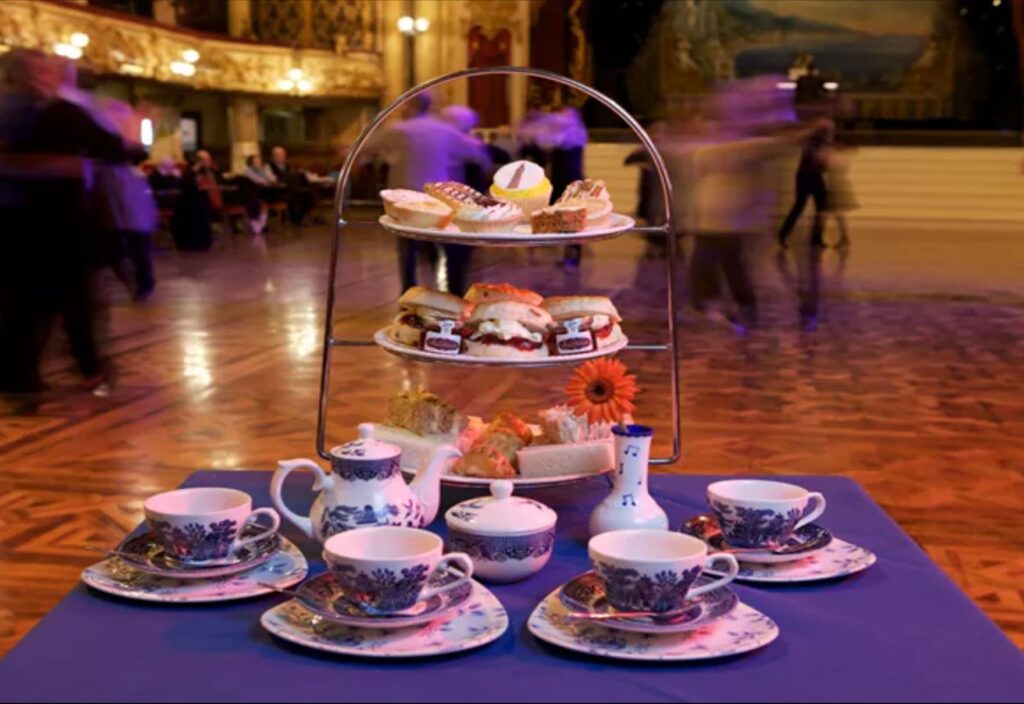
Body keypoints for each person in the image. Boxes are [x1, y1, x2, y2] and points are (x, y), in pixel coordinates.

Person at [0, 49, 144, 394]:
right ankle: (87, 370)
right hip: (54, 221)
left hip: (16, 223)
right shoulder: (58, 112)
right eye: (43, 71)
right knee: (70, 297)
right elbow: (121, 151)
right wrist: (132, 133)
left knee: (26, 303)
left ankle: (23, 378)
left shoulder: (37, 111)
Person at [361, 92, 491, 293]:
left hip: (407, 200)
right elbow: (480, 156)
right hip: (443, 199)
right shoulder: (445, 131)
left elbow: (362, 147)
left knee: (407, 249)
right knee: (450, 246)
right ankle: (454, 294)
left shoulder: (396, 129)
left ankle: (409, 291)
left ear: (408, 106)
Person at [777, 119, 833, 250]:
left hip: (804, 176)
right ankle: (815, 238)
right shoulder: (818, 142)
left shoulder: (812, 141)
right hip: (811, 177)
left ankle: (785, 235)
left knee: (802, 207)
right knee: (818, 208)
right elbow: (818, 160)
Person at [266, 145, 313, 225]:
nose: (282, 157)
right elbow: (271, 179)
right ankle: (296, 218)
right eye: (280, 155)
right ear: (274, 156)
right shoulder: (268, 166)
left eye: (283, 155)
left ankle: (302, 217)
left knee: (308, 194)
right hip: (278, 191)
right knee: (297, 195)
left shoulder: (288, 166)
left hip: (291, 189)